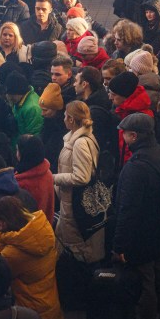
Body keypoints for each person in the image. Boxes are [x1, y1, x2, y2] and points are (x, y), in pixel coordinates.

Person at [110, 113, 160, 319]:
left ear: (134, 136)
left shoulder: (135, 168)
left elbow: (127, 211)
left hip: (141, 234)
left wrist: (118, 247)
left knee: (145, 283)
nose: (123, 137)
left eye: (125, 133)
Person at [0, 194, 65, 319]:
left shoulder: (13, 254)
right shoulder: (41, 228)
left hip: (30, 312)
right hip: (49, 304)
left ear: (2, 223)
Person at [53, 101, 107, 264]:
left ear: (70, 119)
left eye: (65, 116)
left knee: (78, 247)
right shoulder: (79, 138)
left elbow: (82, 177)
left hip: (75, 203)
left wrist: (54, 178)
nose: (63, 118)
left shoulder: (80, 143)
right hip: (69, 201)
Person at [15, 134, 55, 224]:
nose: (16, 153)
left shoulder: (22, 183)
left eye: (17, 150)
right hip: (45, 226)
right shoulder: (47, 172)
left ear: (24, 153)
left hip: (29, 232)